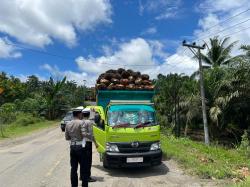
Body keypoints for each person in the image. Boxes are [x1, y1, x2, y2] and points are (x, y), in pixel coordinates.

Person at [65, 108, 88, 187]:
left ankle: (74, 185)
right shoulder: (82, 123)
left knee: (73, 168)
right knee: (84, 168)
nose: (82, 115)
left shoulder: (68, 124)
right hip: (81, 147)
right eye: (81, 113)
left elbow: (67, 138)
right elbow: (84, 134)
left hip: (72, 147)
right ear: (79, 114)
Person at [81, 108, 98, 182]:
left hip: (81, 143)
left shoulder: (81, 122)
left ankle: (82, 176)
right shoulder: (89, 122)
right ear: (88, 114)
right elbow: (91, 135)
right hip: (88, 143)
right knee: (88, 161)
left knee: (82, 160)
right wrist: (96, 143)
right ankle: (87, 177)